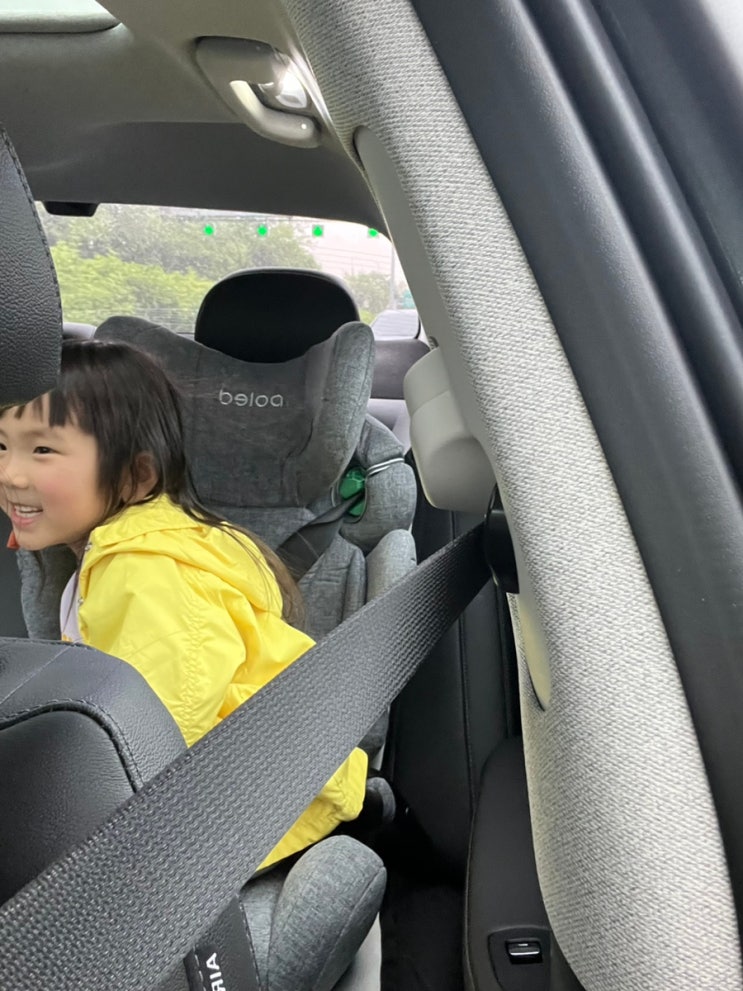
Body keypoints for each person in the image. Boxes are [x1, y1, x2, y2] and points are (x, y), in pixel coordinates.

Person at [0, 339, 385, 990]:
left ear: (135, 478)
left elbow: (153, 740)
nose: (11, 473)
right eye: (1, 446)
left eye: (42, 451)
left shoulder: (145, 572)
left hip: (236, 815)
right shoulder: (133, 549)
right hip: (251, 797)